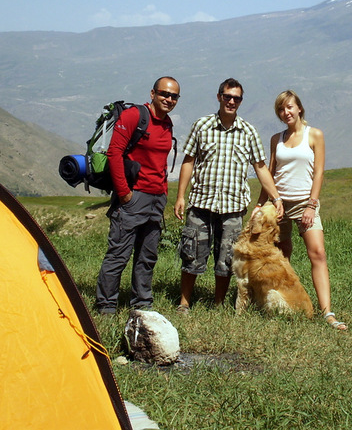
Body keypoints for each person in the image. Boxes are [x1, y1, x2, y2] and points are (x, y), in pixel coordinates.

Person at [174, 78, 284, 312]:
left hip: (232, 206)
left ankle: (219, 303)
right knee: (192, 253)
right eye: (227, 96)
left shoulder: (248, 132)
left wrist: (276, 198)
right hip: (201, 202)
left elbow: (261, 167)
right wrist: (180, 195)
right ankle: (184, 302)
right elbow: (189, 161)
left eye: (236, 98)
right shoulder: (201, 126)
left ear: (241, 101)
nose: (231, 101)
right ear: (219, 97)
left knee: (226, 259)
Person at [256, 90, 347, 330]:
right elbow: (271, 173)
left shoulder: (314, 135)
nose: (286, 112)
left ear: (299, 108)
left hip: (304, 203)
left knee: (317, 253)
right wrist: (260, 204)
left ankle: (327, 312)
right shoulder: (277, 138)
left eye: (289, 107)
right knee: (280, 256)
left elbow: (318, 172)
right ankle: (280, 305)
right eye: (281, 109)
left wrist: (311, 204)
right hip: (279, 204)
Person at [95, 77, 180, 314]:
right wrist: (124, 194)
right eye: (164, 94)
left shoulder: (167, 123)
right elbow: (114, 153)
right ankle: (106, 306)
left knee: (147, 256)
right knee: (118, 255)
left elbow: (160, 163)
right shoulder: (135, 116)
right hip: (134, 197)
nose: (169, 99)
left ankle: (142, 304)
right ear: (153, 93)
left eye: (174, 96)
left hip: (156, 198)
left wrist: (163, 194)